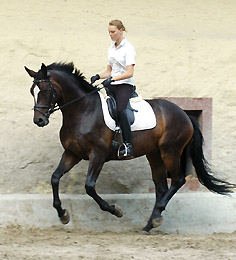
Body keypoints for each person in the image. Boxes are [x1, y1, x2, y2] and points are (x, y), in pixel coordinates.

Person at [91, 19, 136, 159]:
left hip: (124, 85)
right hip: (112, 84)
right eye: (109, 32)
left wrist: (114, 79)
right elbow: (109, 71)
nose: (110, 34)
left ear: (121, 30)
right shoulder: (111, 48)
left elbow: (130, 72)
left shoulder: (128, 48)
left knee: (121, 110)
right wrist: (98, 75)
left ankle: (128, 145)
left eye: (113, 32)